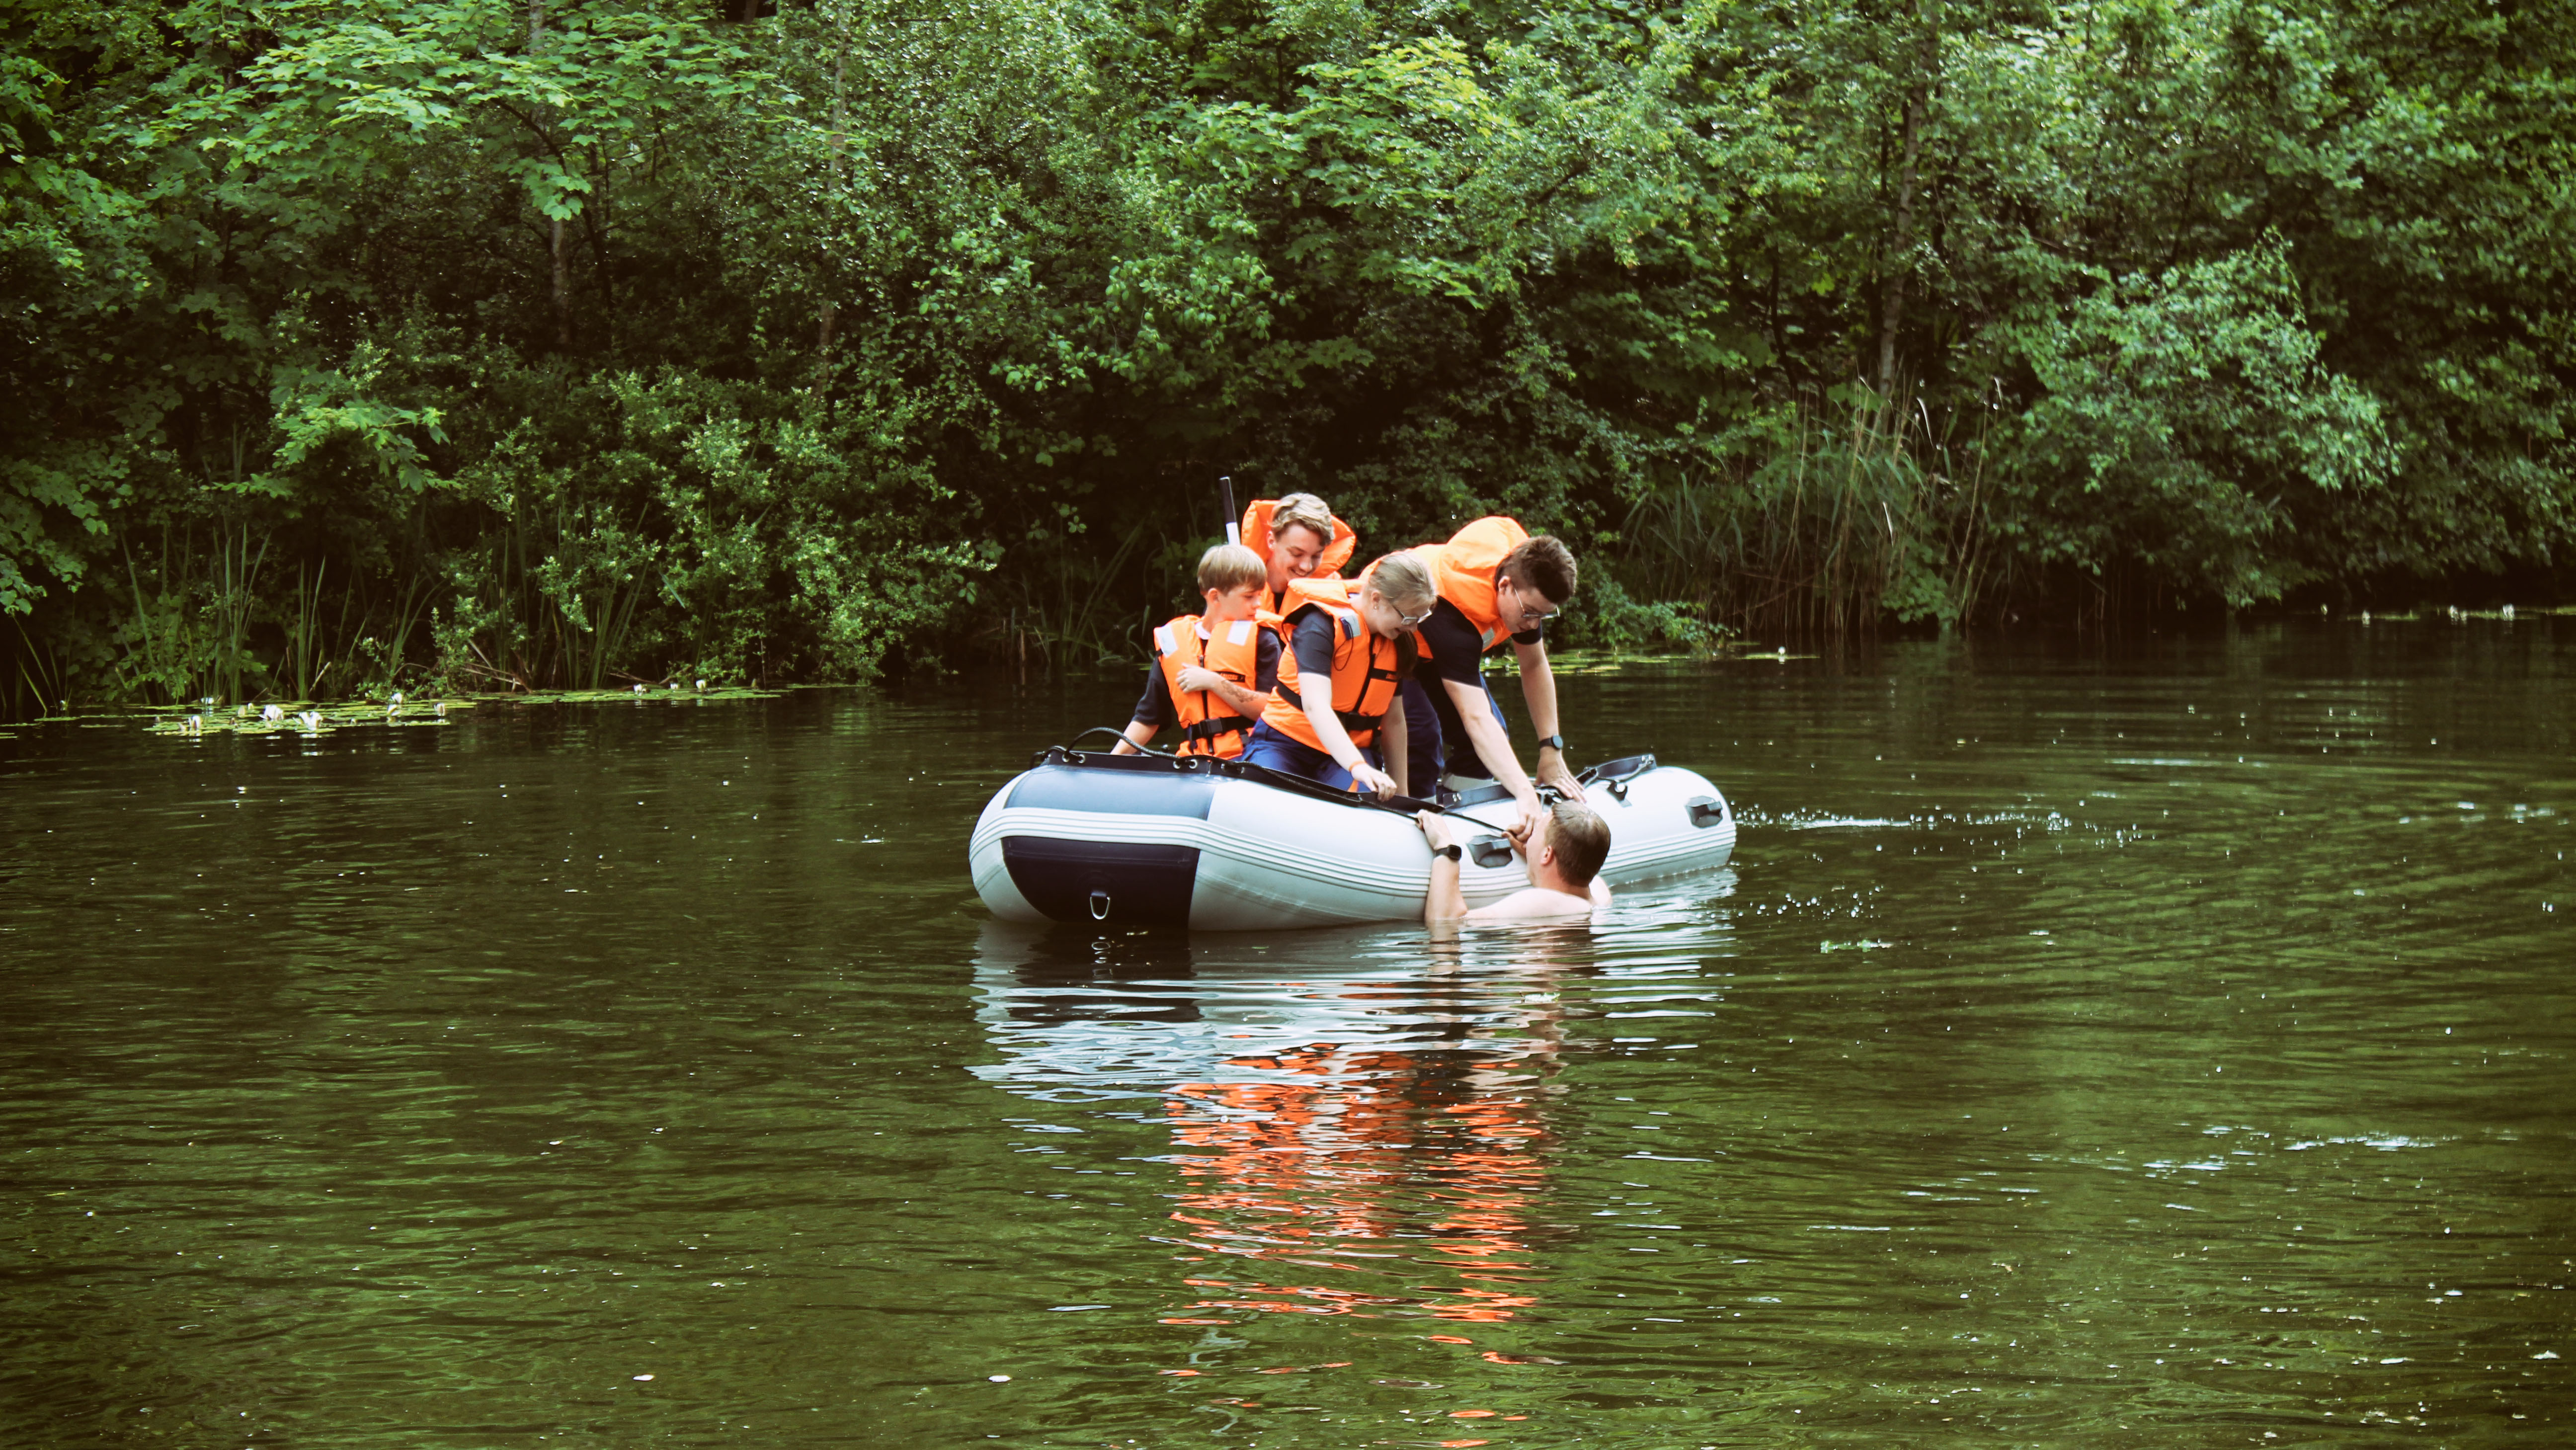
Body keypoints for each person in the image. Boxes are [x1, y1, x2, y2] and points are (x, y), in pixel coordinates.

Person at [1407, 517, 1585, 827]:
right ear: (1505, 586)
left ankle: (1462, 819)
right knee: (1423, 735)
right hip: (1397, 645)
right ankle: (1414, 817)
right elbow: (1476, 718)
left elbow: (1534, 664)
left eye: (1543, 616)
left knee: (1488, 746)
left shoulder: (1523, 581)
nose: (1532, 623)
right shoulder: (1451, 616)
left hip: (1438, 653)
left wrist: (1551, 749)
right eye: (1530, 613)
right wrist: (1524, 791)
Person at [1238, 553, 1438, 796]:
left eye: (1420, 619)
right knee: (1264, 796)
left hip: (1351, 750)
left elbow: (1394, 722)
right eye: (1408, 617)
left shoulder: (1397, 643)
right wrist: (1358, 766)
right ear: (1377, 599)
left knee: (1365, 798)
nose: (1413, 628)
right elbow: (1315, 706)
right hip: (1286, 744)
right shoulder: (1319, 625)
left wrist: (1403, 797)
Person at [1112, 543, 1280, 760]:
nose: (1258, 604)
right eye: (1249, 597)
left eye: (1260, 595)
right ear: (1215, 597)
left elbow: (1271, 711)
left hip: (1252, 754)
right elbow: (1148, 718)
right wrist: (1111, 759)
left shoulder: (1264, 640)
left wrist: (1214, 682)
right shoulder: (1172, 643)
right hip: (1193, 759)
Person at [1416, 801, 1612, 923]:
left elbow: (1447, 923)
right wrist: (1535, 855)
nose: (1529, 838)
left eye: (1535, 833)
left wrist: (1446, 846)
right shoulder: (1599, 894)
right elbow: (1580, 858)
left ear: (1547, 855)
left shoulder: (1544, 902)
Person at [1240, 492, 1357, 620]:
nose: (1306, 567)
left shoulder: (1334, 591)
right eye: (1297, 554)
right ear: (1272, 541)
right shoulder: (1235, 585)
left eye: (1316, 556)